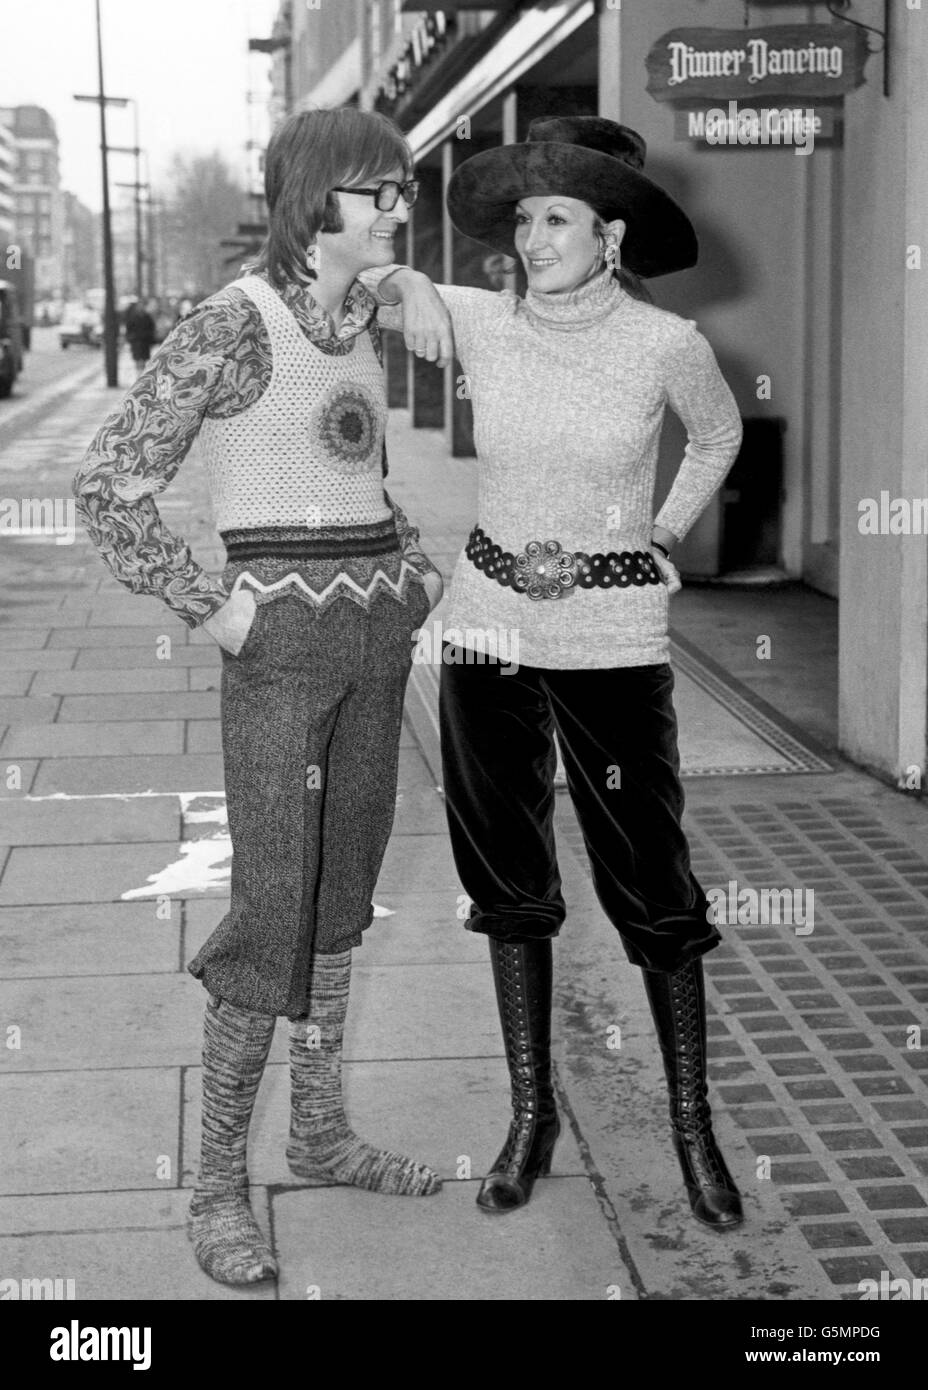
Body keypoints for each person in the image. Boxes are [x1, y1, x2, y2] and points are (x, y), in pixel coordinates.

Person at [73, 107, 447, 1288]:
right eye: (377, 190)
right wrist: (208, 605)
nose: (399, 205)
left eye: (402, 186)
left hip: (378, 642)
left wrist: (416, 562)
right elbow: (107, 485)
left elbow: (357, 468)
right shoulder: (233, 328)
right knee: (273, 907)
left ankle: (321, 1129)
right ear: (310, 201)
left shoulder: (359, 323)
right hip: (280, 651)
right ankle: (215, 1184)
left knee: (345, 897)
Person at [365, 117, 746, 1230]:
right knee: (508, 880)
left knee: (653, 885)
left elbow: (715, 438)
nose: (534, 238)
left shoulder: (666, 344)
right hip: (485, 627)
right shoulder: (478, 320)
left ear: (610, 236)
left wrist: (666, 528)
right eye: (524, 219)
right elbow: (326, 276)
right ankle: (530, 1117)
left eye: (559, 219)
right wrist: (401, 275)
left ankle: (692, 1128)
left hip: (614, 636)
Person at [122, 298, 157, 375]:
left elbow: (152, 328)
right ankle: (139, 373)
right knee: (137, 359)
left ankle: (141, 373)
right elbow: (128, 328)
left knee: (144, 359)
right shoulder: (133, 317)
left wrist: (150, 338)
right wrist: (130, 338)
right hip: (136, 341)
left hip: (145, 342)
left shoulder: (147, 317)